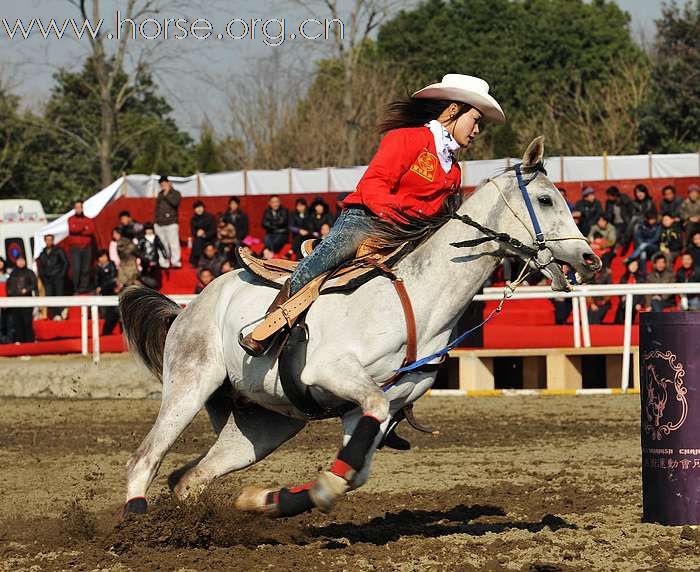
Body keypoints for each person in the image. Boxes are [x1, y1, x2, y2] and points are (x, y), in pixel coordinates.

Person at [240, 73, 505, 355]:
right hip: (367, 222)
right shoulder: (406, 138)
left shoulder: (454, 170)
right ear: (454, 109)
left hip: (409, 236)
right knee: (323, 260)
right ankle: (267, 328)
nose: (477, 130)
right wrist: (402, 222)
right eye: (475, 120)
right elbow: (374, 185)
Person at [6, 256, 38, 343]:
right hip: (15, 301)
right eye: (19, 261)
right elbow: (9, 285)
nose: (21, 262)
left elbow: (34, 283)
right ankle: (20, 340)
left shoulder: (29, 272)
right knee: (17, 321)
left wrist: (26, 289)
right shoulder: (13, 273)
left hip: (26, 300)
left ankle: (29, 340)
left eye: (22, 260)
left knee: (27, 321)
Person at [36, 234, 68, 319]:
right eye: (47, 240)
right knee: (49, 296)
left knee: (59, 295)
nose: (49, 241)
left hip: (58, 277)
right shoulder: (42, 253)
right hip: (47, 279)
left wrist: (61, 275)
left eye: (50, 239)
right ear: (45, 241)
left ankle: (61, 313)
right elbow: (40, 266)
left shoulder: (58, 250)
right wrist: (43, 276)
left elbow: (65, 263)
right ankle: (52, 315)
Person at [67, 199, 96, 293]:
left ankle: (84, 287)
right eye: (77, 207)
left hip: (86, 247)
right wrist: (83, 228)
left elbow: (91, 230)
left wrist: (79, 229)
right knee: (76, 268)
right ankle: (76, 287)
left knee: (86, 268)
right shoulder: (71, 219)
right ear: (74, 209)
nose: (79, 209)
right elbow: (72, 229)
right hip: (75, 248)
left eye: (80, 207)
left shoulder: (88, 219)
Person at [154, 175, 182, 268]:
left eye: (164, 183)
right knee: (162, 244)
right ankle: (164, 262)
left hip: (171, 222)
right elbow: (157, 208)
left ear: (169, 183)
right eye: (161, 184)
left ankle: (175, 262)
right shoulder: (159, 194)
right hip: (160, 223)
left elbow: (175, 203)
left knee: (173, 243)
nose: (163, 186)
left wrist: (167, 194)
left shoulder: (176, 193)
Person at [94, 249, 120, 335]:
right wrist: (98, 287)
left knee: (112, 313)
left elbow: (113, 280)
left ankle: (107, 332)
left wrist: (102, 288)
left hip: (111, 292)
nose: (103, 258)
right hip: (103, 293)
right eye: (101, 257)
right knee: (106, 313)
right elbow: (96, 280)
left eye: (104, 256)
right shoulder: (97, 268)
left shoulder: (111, 265)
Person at [614, 258, 645, 324]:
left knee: (630, 307)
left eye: (635, 265)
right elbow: (620, 291)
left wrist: (640, 303)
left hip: (636, 301)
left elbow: (643, 293)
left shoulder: (640, 278)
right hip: (625, 302)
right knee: (621, 309)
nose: (634, 267)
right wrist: (622, 297)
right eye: (632, 265)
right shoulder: (624, 277)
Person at [137, 223, 167, 290]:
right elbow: (138, 249)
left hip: (154, 259)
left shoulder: (156, 238)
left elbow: (161, 247)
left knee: (155, 273)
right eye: (148, 230)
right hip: (145, 260)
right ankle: (146, 287)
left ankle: (155, 287)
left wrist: (165, 256)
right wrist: (140, 256)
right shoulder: (142, 239)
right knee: (144, 273)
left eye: (150, 229)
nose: (149, 231)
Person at [604, 186, 634, 252]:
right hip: (615, 223)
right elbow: (607, 214)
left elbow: (631, 212)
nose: (608, 197)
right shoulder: (609, 203)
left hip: (625, 222)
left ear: (614, 195)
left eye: (609, 196)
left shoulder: (625, 200)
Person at [189, 201, 217, 267]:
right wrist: (197, 233)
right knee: (198, 240)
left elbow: (213, 230)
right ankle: (199, 260)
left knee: (199, 240)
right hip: (199, 238)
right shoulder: (193, 219)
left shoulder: (210, 217)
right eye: (196, 208)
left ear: (203, 208)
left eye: (200, 207)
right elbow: (193, 232)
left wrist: (204, 234)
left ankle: (197, 260)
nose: (199, 209)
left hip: (210, 237)